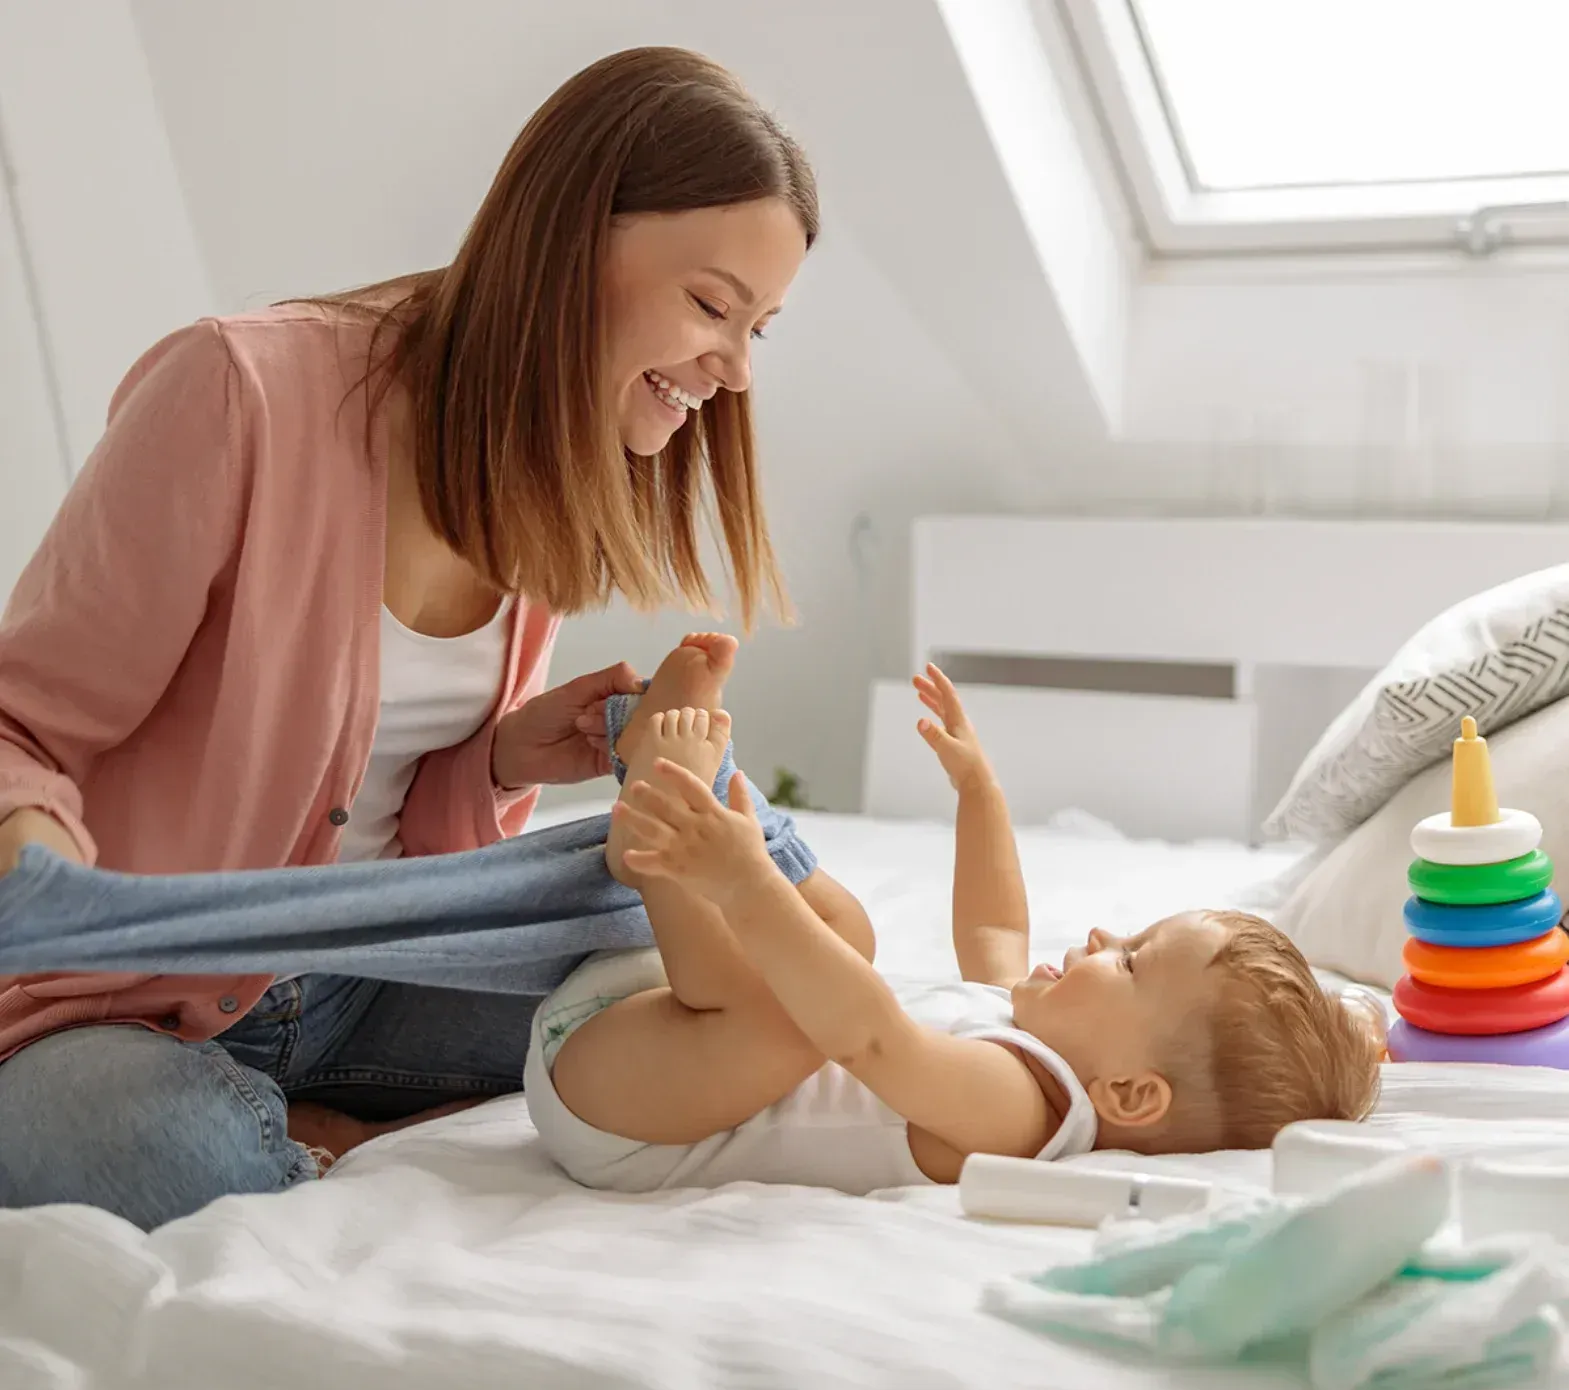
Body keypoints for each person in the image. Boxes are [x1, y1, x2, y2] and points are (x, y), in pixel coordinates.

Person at [0, 47, 866, 1231]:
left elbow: (417, 849)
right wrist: (48, 878)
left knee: (689, 979)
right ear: (571, 244)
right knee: (127, 1148)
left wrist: (497, 763)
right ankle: (316, 1139)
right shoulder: (239, 395)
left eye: (758, 328)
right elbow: (17, 723)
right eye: (713, 306)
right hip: (122, 1002)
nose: (735, 371)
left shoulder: (549, 463)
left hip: (370, 978)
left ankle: (326, 1134)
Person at [525, 663, 1385, 1194]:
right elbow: (992, 926)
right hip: (644, 1025)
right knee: (845, 928)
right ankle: (672, 823)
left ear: (1128, 1093)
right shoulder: (1024, 1030)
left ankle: (665, 826)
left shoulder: (1021, 1112)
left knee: (806, 1007)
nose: (1096, 935)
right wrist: (981, 794)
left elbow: (871, 1038)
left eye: (1128, 962)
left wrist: (750, 885)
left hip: (628, 1118)